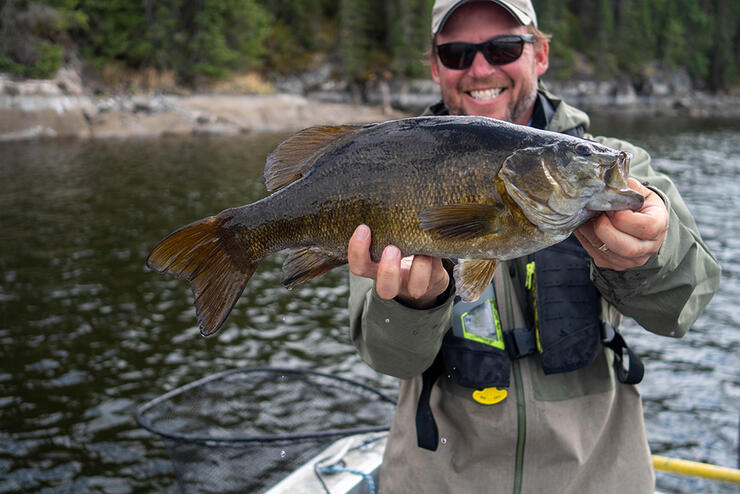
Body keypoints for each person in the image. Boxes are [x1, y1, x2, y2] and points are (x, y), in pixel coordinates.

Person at [346, 1, 722, 493]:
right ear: (436, 66)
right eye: (458, 53)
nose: (481, 69)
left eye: (503, 47)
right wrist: (418, 303)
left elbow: (684, 306)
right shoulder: (390, 172)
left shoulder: (604, 166)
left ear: (539, 54)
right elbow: (388, 358)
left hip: (598, 478)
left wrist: (651, 253)